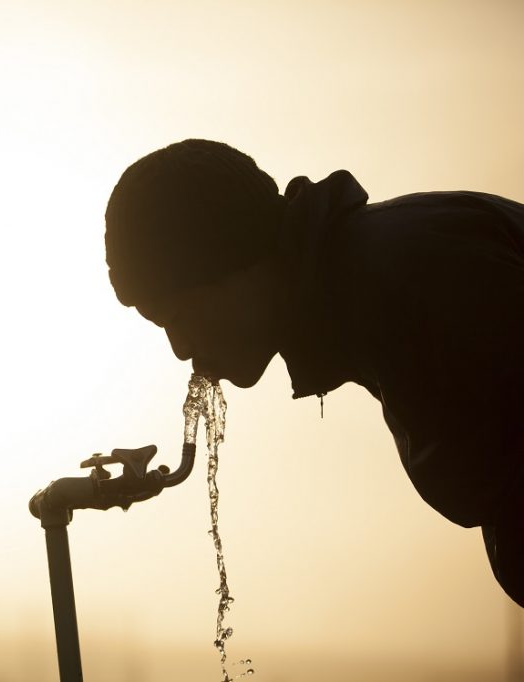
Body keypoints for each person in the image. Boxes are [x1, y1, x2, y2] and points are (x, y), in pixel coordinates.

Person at [103, 139, 524, 607]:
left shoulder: (413, 275)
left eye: (178, 317)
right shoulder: (370, 281)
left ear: (233, 261)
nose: (180, 349)